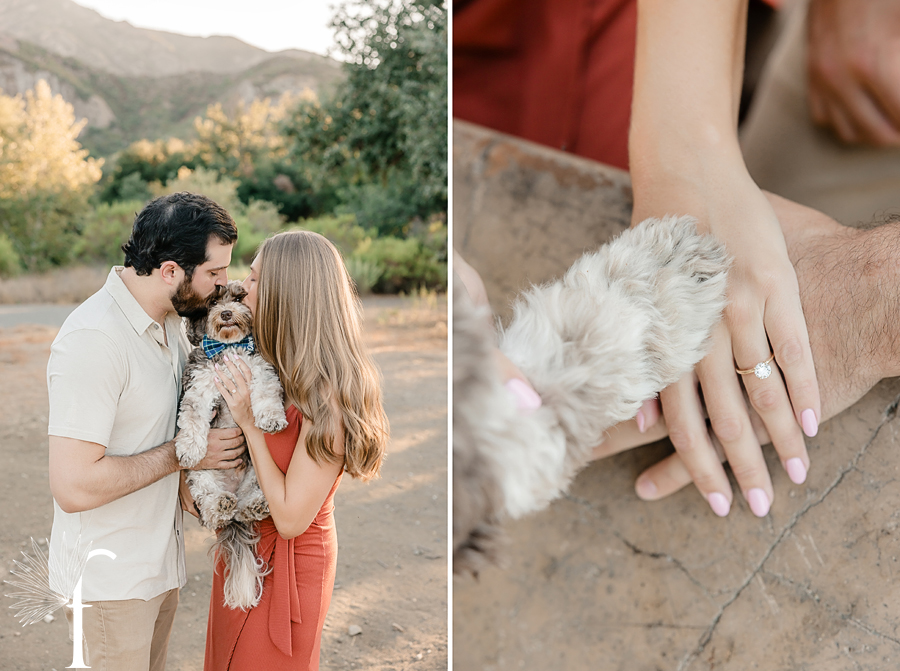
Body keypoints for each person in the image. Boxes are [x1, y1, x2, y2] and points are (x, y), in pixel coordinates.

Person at [47, 192, 247, 670]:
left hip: (157, 570)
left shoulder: (171, 326)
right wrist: (185, 455)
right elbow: (73, 486)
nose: (223, 286)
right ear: (172, 271)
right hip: (109, 585)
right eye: (215, 273)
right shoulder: (95, 340)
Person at [199, 230, 389, 671]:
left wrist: (247, 422)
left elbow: (288, 518)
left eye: (257, 278)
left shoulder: (329, 397)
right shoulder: (274, 365)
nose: (244, 287)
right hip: (242, 549)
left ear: (289, 292)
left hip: (290, 563)